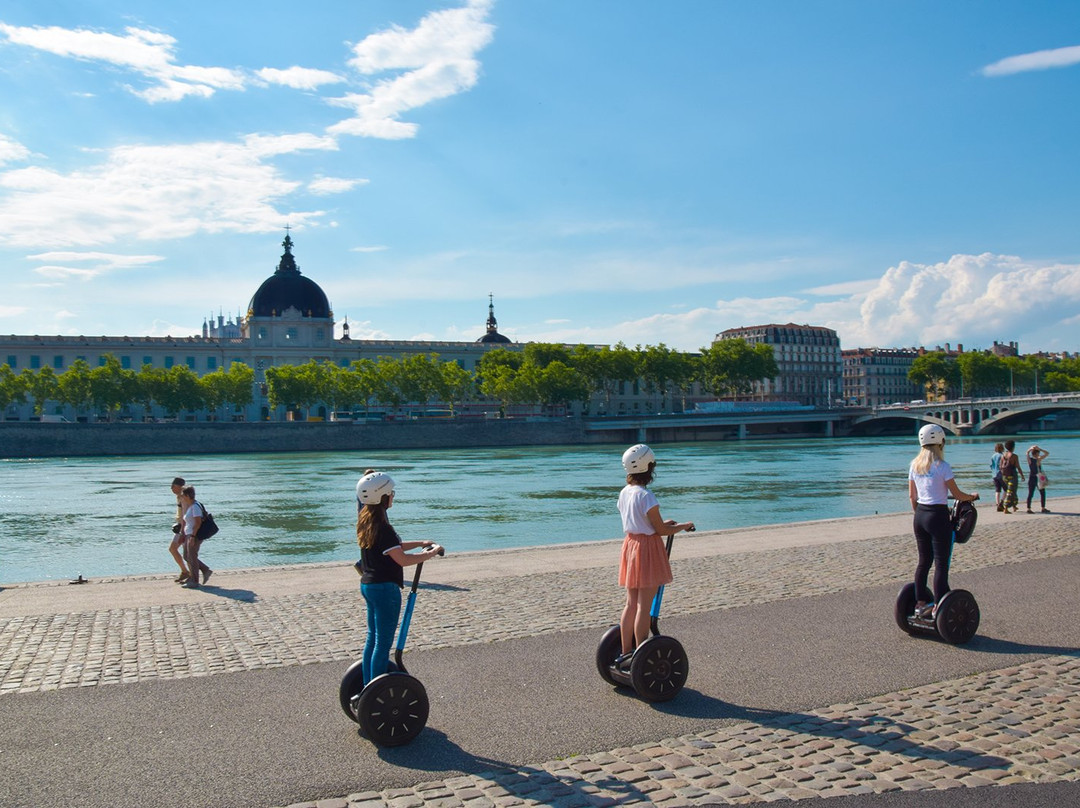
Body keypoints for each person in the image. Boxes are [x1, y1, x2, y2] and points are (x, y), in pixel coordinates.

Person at [355, 471, 443, 685]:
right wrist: (431, 553)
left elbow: (395, 547)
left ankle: (368, 685)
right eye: (391, 493)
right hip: (385, 590)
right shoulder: (383, 528)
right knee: (383, 644)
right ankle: (375, 689)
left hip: (369, 586)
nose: (393, 496)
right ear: (382, 496)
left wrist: (421, 542)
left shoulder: (367, 521)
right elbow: (401, 559)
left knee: (372, 638)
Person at [614, 444, 695, 670]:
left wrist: (665, 524)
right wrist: (683, 526)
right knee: (644, 606)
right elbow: (659, 530)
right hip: (647, 549)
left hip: (631, 545)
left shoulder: (624, 492)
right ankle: (641, 655)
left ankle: (625, 652)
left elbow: (642, 522)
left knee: (631, 604)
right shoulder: (647, 496)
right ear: (648, 468)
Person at [908, 424, 978, 620]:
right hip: (938, 516)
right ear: (940, 442)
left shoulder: (914, 465)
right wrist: (971, 497)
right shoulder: (943, 466)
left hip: (920, 515)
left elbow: (912, 497)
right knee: (940, 564)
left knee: (923, 562)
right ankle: (939, 603)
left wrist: (920, 514)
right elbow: (956, 494)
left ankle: (920, 604)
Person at [178, 485, 213, 589]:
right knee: (186, 556)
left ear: (188, 495)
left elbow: (197, 523)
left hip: (194, 535)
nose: (182, 498)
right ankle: (205, 570)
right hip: (189, 534)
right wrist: (184, 534)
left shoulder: (195, 507)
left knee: (192, 557)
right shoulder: (191, 506)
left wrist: (192, 536)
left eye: (183, 496)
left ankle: (194, 581)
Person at [168, 477, 191, 584]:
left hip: (184, 528)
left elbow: (185, 515)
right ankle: (186, 572)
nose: (171, 488)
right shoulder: (179, 497)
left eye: (173, 486)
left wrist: (182, 530)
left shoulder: (183, 497)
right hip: (182, 527)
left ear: (179, 487)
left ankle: (189, 572)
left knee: (175, 549)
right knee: (183, 552)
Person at [1000, 439, 1024, 514]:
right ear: (1013, 447)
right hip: (1012, 476)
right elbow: (1018, 467)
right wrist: (1022, 475)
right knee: (1010, 492)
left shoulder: (1003, 455)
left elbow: (1000, 466)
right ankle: (1006, 508)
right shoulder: (1014, 456)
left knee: (1012, 491)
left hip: (1004, 477)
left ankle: (1014, 506)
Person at [1025, 444, 1050, 514]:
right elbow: (1047, 453)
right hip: (1038, 478)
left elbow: (1027, 453)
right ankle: (1043, 508)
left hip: (1032, 477)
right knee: (1042, 493)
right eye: (1038, 453)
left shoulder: (1030, 460)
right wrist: (1040, 449)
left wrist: (1030, 449)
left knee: (1030, 493)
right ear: (1037, 453)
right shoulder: (1038, 459)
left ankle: (1029, 508)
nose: (1039, 454)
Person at [989, 443, 1005, 512]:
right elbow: (1003, 465)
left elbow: (991, 465)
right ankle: (1002, 502)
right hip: (1000, 474)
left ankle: (997, 503)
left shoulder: (993, 456)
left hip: (994, 474)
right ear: (1002, 448)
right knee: (1006, 489)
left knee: (997, 490)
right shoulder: (1002, 456)